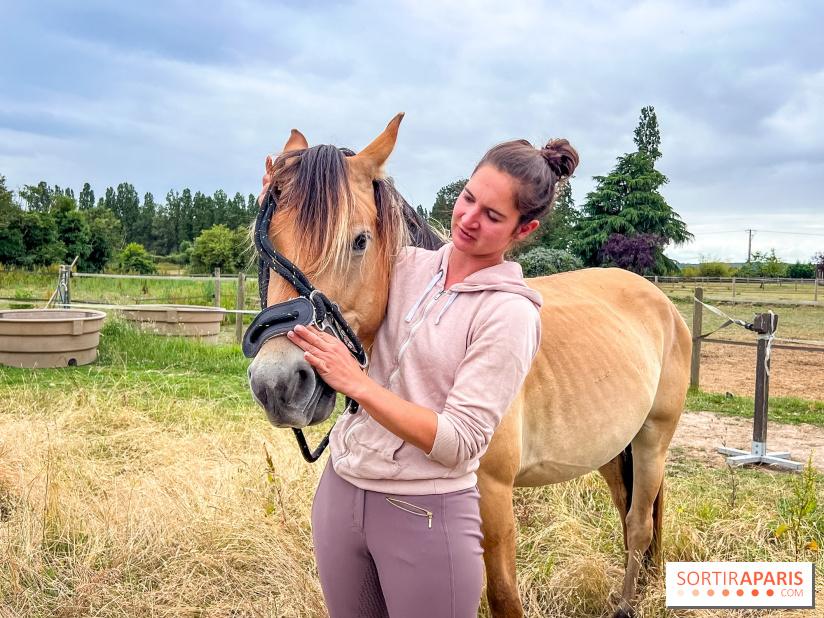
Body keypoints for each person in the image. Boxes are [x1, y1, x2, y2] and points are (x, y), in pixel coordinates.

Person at [264, 137, 578, 617]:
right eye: (468, 198)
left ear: (524, 228)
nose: (468, 219)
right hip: (342, 493)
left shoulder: (509, 314)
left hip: (424, 511)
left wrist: (358, 384)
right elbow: (329, 239)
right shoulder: (404, 265)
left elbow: (460, 442)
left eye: (493, 216)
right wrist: (285, 196)